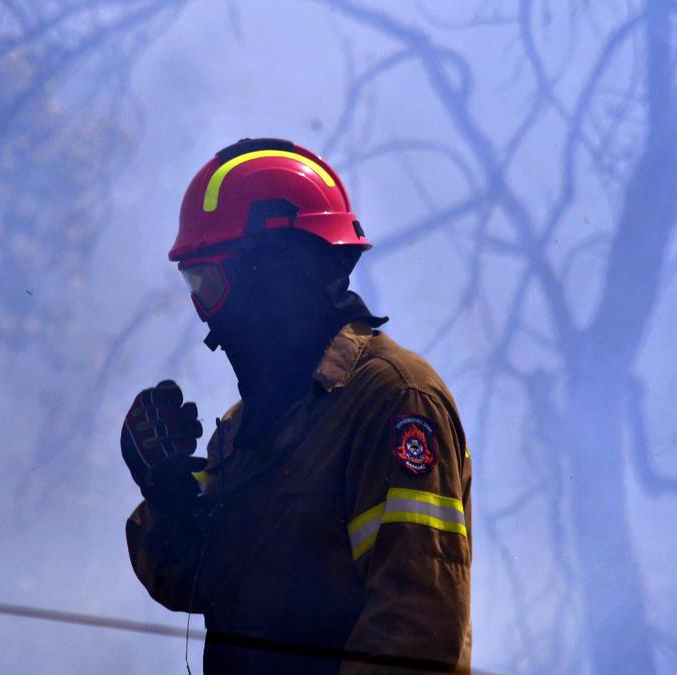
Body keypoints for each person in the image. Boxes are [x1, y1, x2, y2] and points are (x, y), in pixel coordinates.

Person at [121, 138, 471, 674]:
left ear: (276, 272)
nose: (205, 314)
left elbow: (414, 628)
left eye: (208, 283)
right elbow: (193, 581)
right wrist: (167, 491)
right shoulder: (245, 430)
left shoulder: (393, 401)